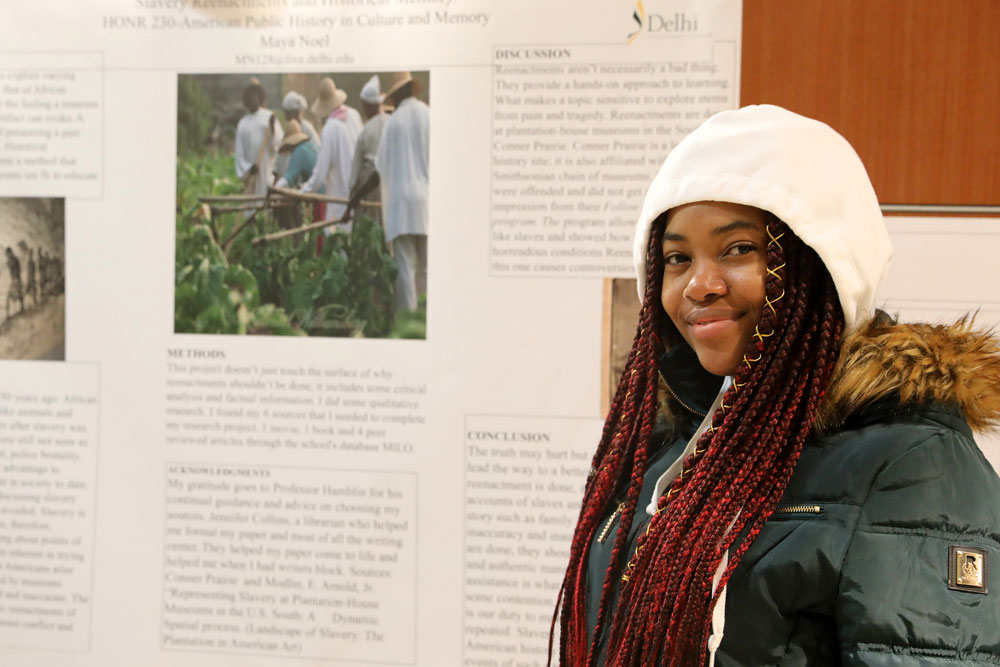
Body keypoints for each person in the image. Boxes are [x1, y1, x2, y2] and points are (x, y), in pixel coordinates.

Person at [554, 105, 1000, 666]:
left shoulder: (913, 465)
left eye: (738, 248)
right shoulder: (674, 445)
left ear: (823, 262)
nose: (700, 284)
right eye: (677, 257)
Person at [346, 72, 428, 312]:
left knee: (405, 267)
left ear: (397, 94)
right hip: (425, 200)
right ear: (412, 90)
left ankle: (406, 320)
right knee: (426, 266)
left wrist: (357, 196)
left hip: (402, 203)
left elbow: (378, 171)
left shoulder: (394, 123)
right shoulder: (427, 114)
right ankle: (426, 317)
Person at [303, 77, 359, 229]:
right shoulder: (354, 115)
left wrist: (304, 191)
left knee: (338, 244)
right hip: (357, 193)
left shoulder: (330, 129)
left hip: (339, 198)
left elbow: (320, 172)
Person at [348, 75, 389, 218]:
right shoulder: (391, 123)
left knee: (369, 225)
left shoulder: (366, 131)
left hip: (369, 187)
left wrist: (352, 195)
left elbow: (356, 170)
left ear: (370, 105)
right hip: (389, 183)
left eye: (364, 105)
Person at [234, 80, 283, 198]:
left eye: (255, 96)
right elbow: (239, 156)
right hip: (251, 178)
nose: (253, 99)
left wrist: (273, 131)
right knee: (251, 207)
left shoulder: (268, 117)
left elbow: (279, 146)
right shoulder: (242, 124)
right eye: (250, 97)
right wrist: (249, 169)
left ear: (260, 98)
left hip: (267, 174)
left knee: (267, 206)